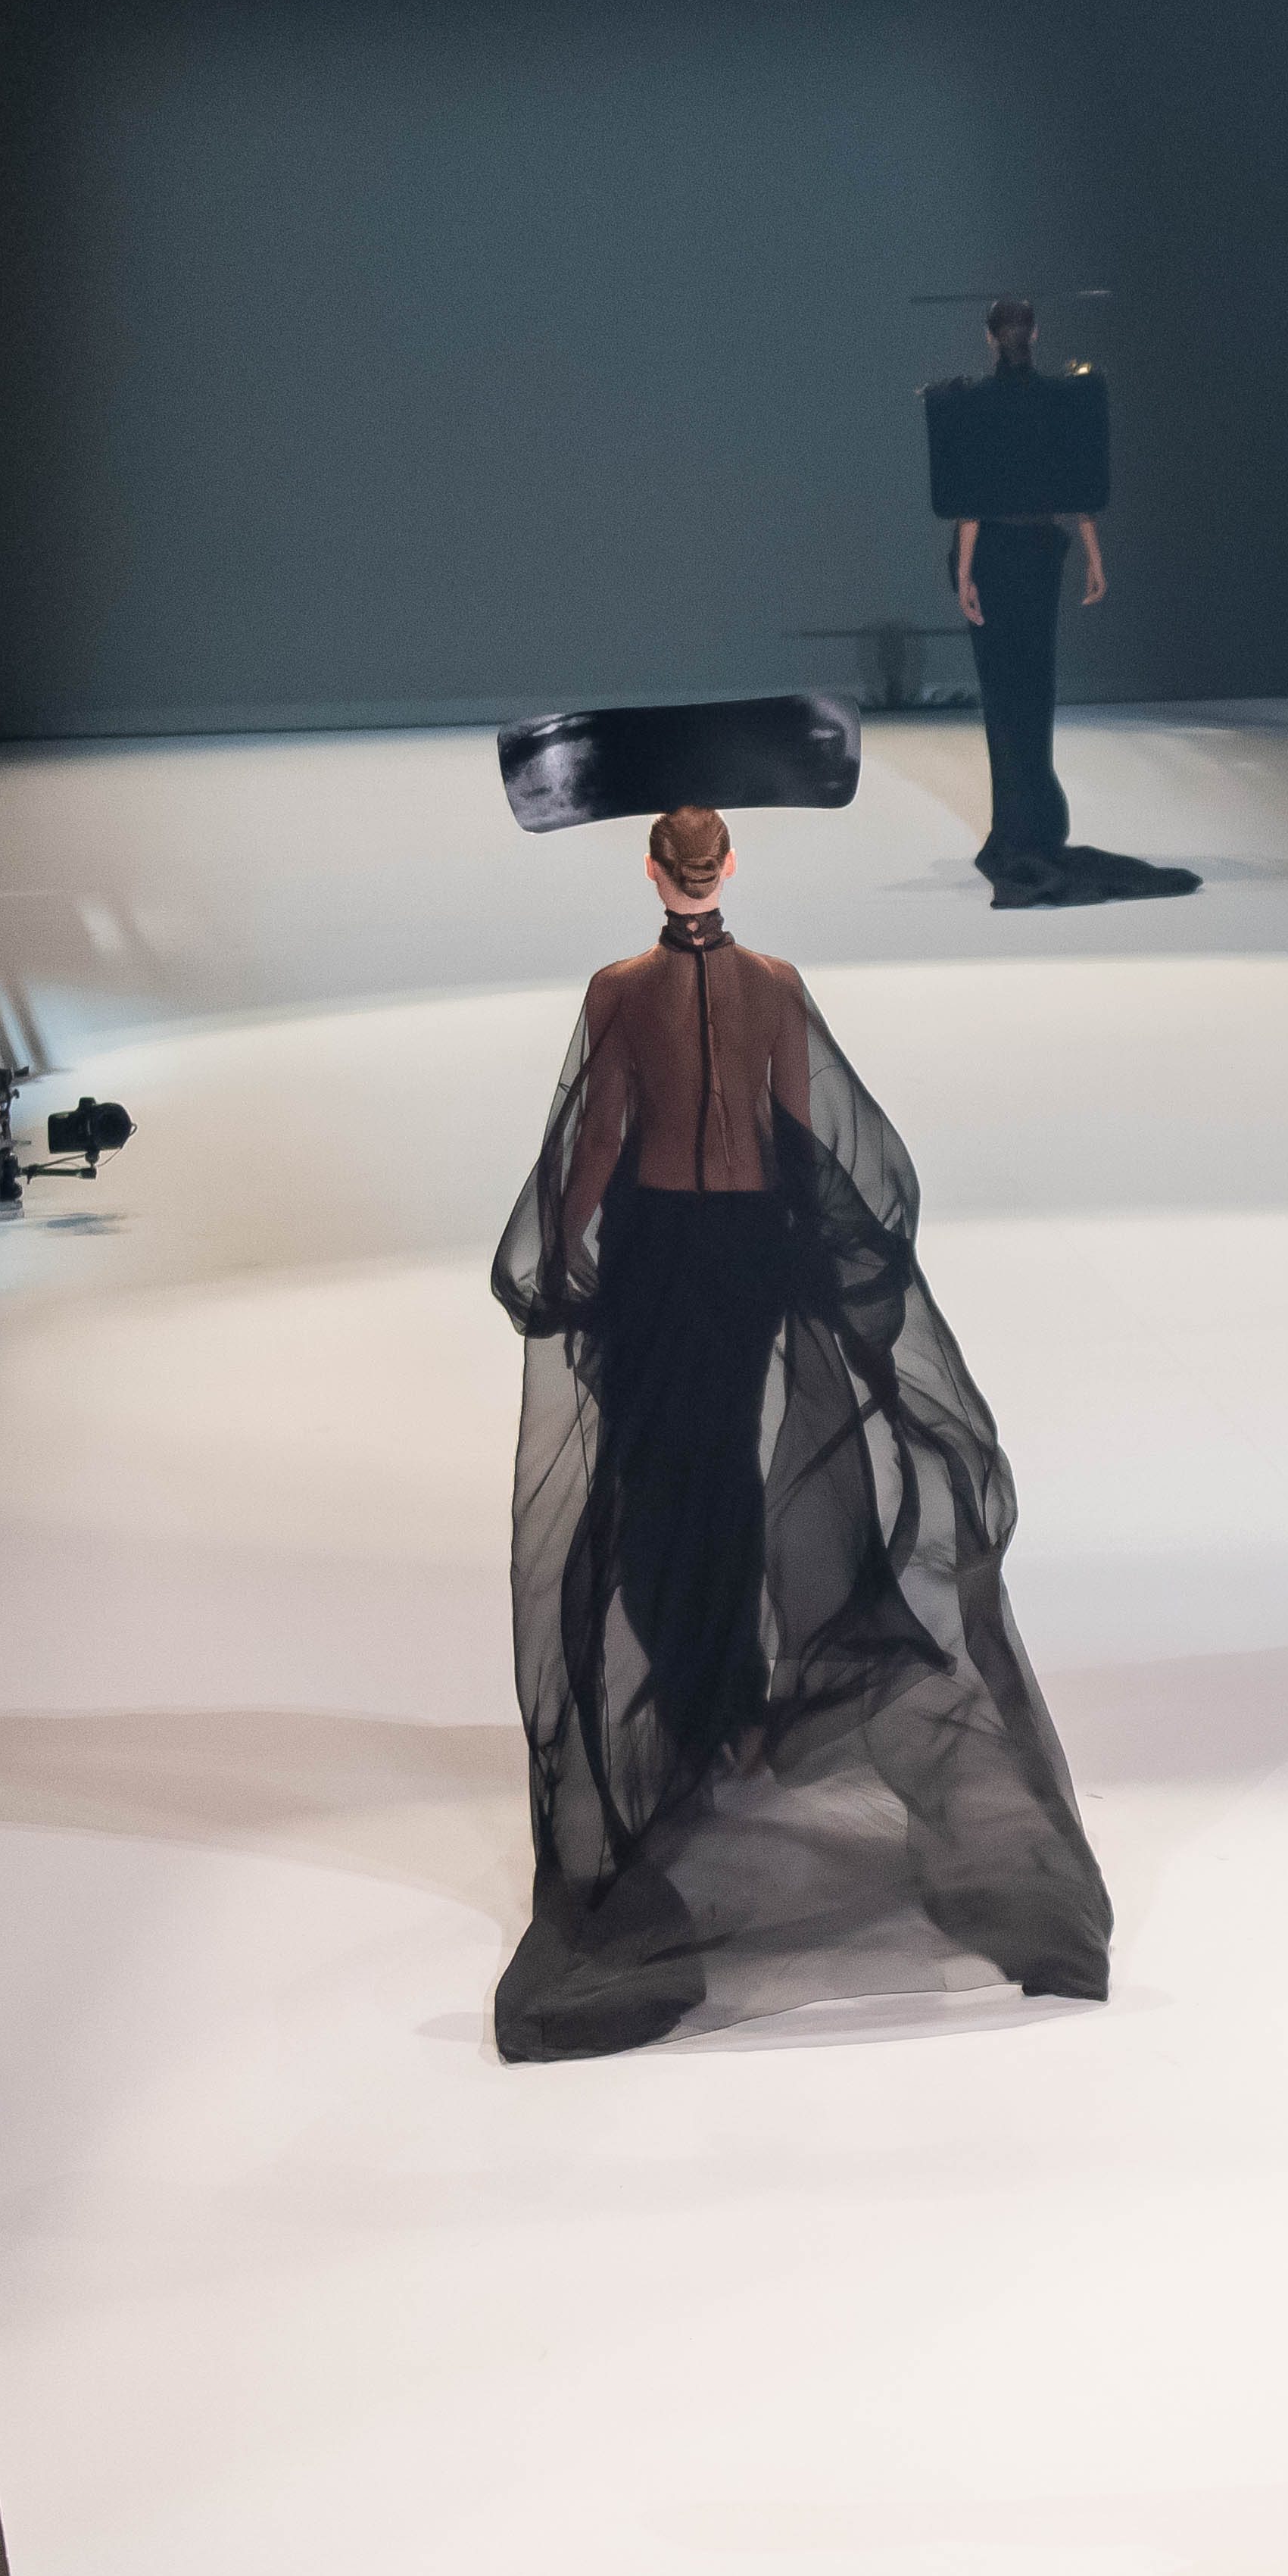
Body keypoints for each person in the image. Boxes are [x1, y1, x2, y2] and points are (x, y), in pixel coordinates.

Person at [487, 804, 1115, 2060]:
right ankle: (733, 1703)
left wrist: (562, 1244)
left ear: (652, 870)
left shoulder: (617, 991)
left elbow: (599, 1134)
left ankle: (687, 1701)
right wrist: (817, 1255)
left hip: (661, 1251)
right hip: (748, 1251)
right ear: (727, 867)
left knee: (660, 1475)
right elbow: (800, 1123)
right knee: (734, 1462)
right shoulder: (775, 984)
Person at [945, 301, 1189, 912]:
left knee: (1004, 693)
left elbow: (970, 498)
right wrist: (1093, 555)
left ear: (989, 339)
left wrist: (965, 571)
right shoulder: (1061, 399)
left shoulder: (974, 403)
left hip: (996, 552)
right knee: (1034, 686)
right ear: (1035, 334)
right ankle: (1033, 827)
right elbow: (1077, 484)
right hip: (1038, 552)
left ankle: (1018, 832)